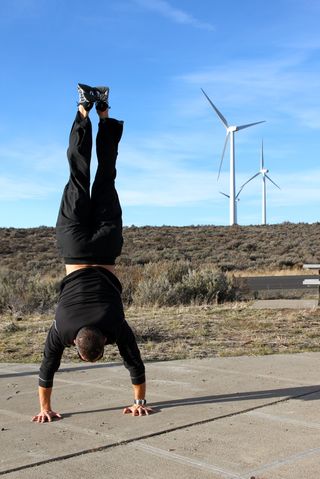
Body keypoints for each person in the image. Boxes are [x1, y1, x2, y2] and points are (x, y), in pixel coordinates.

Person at [32, 84, 152, 423]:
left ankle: (103, 112)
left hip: (106, 245)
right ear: (77, 346)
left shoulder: (116, 326)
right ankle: (83, 110)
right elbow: (46, 369)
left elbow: (135, 364)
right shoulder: (63, 328)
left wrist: (139, 401)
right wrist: (44, 408)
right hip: (73, 247)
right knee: (77, 176)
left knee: (106, 176)